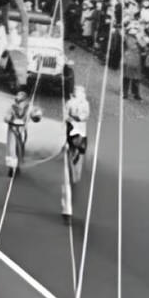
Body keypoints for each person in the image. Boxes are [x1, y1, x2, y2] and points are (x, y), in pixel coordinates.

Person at [62, 86, 89, 219]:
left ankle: (75, 175)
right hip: (71, 132)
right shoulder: (69, 103)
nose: (80, 94)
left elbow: (85, 116)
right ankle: (66, 210)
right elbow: (65, 116)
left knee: (78, 161)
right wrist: (73, 118)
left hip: (81, 134)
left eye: (81, 93)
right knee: (67, 171)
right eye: (78, 92)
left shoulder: (85, 104)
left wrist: (77, 117)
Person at [4, 90, 31, 176]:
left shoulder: (28, 109)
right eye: (17, 101)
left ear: (25, 101)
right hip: (12, 129)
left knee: (19, 149)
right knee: (11, 149)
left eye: (20, 101)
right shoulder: (12, 108)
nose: (18, 103)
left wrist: (34, 117)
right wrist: (8, 118)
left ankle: (18, 165)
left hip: (21, 130)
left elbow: (30, 118)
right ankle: (11, 168)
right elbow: (6, 117)